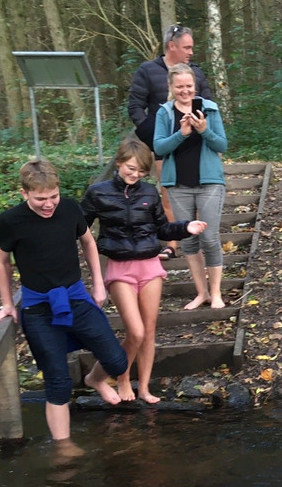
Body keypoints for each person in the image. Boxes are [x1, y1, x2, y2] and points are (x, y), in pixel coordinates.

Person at [0, 159, 129, 445]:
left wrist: (98, 284)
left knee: (117, 360)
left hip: (76, 297)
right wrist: (7, 303)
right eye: (40, 198)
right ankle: (64, 449)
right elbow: (1, 261)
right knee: (57, 380)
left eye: (53, 196)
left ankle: (94, 379)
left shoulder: (69, 209)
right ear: (24, 193)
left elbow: (88, 242)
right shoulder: (10, 221)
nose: (48, 204)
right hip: (38, 307)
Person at [80, 137, 208, 404]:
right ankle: (122, 378)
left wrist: (185, 227)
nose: (135, 175)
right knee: (134, 332)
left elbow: (161, 228)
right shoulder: (98, 192)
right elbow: (79, 227)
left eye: (141, 171)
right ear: (118, 163)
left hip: (150, 265)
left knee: (149, 331)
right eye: (130, 168)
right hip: (120, 267)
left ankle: (145, 387)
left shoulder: (149, 193)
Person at [127, 24, 215, 260]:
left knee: (196, 192)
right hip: (164, 145)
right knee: (168, 193)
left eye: (192, 47)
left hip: (195, 143)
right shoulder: (147, 70)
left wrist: (205, 130)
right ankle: (172, 243)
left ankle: (196, 240)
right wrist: (152, 136)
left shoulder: (195, 72)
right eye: (187, 47)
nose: (191, 52)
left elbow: (209, 103)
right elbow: (135, 106)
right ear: (171, 46)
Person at [153, 63, 229, 310]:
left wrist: (204, 130)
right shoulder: (164, 113)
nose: (185, 91)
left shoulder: (210, 109)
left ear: (195, 86)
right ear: (170, 87)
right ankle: (201, 293)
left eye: (189, 86)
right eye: (179, 87)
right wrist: (182, 133)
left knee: (209, 237)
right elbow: (160, 148)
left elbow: (222, 145)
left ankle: (216, 293)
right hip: (178, 185)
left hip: (209, 183)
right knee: (188, 241)